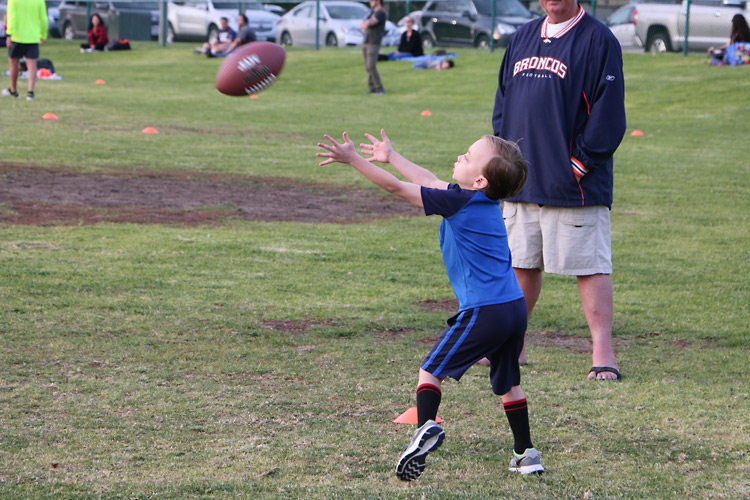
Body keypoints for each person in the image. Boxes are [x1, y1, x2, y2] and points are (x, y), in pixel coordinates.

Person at [316, 129, 544, 481]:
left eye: (468, 157)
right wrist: (391, 156)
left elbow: (397, 188)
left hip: (485, 310)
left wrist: (354, 160)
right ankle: (526, 455)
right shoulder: (479, 201)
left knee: (430, 371)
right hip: (513, 307)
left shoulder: (459, 202)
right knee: (508, 384)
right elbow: (428, 180)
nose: (460, 156)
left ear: (480, 180)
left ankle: (424, 430)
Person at [492, 0, 626, 380]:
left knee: (590, 267)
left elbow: (609, 112)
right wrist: (505, 158)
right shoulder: (522, 37)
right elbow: (503, 103)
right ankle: (512, 346)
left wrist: (580, 163)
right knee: (520, 264)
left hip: (573, 183)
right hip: (522, 179)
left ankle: (603, 353)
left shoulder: (598, 40)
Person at [2, 0, 48, 101]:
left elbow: (12, 17)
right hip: (32, 37)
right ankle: (30, 92)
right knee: (32, 65)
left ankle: (13, 90)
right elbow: (44, 19)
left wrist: (9, 34)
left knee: (13, 63)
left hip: (17, 37)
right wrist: (43, 35)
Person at [360, 0, 387, 94]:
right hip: (366, 41)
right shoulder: (371, 12)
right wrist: (366, 23)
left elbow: (370, 23)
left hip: (374, 42)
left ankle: (380, 89)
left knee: (371, 66)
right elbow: (362, 25)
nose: (370, 2)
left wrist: (367, 23)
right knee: (368, 67)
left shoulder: (381, 13)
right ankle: (372, 88)